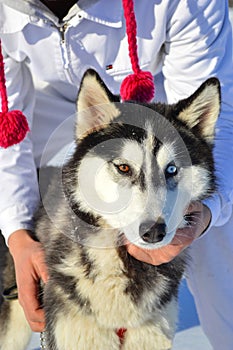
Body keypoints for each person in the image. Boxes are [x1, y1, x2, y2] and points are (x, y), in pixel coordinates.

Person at [0, 0, 233, 348]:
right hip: (49, 117)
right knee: (37, 233)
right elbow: (6, 135)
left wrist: (205, 214)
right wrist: (18, 236)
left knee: (217, 235)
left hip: (161, 115)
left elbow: (219, 118)